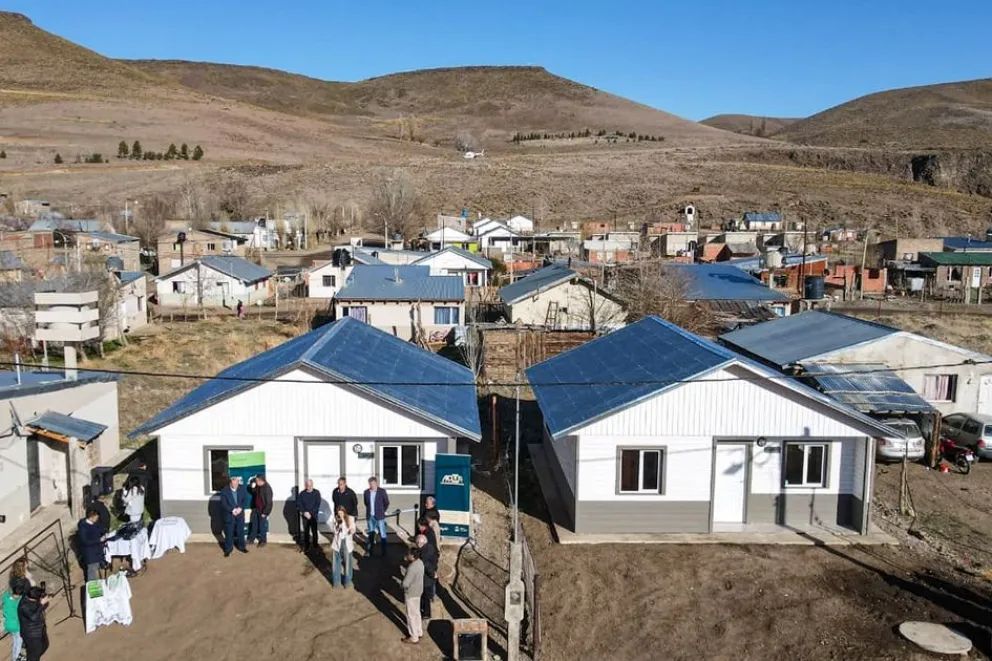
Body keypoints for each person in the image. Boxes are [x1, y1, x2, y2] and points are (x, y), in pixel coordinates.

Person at [17, 585, 49, 661]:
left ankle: (28, 656)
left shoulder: (30, 595)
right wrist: (41, 604)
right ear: (34, 599)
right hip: (31, 635)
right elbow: (33, 617)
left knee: (45, 645)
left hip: (39, 630)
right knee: (34, 654)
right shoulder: (24, 606)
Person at [220, 476, 249, 557]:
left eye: (237, 484)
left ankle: (242, 547)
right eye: (234, 484)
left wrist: (241, 508)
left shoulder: (242, 489)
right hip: (229, 515)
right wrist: (232, 510)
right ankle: (228, 550)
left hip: (240, 514)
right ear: (230, 483)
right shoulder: (224, 491)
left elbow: (245, 500)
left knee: (240, 532)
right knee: (229, 533)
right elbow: (223, 503)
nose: (236, 485)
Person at [77, 507, 109, 581]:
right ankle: (91, 585)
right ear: (91, 517)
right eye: (96, 518)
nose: (97, 519)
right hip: (90, 553)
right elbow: (85, 541)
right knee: (92, 571)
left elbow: (100, 528)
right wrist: (99, 540)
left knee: (97, 567)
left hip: (97, 550)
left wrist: (105, 531)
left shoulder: (94, 522)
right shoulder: (83, 527)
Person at [400, 549, 424, 645]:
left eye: (408, 554)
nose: (407, 555)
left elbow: (405, 583)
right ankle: (419, 631)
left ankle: (414, 637)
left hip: (411, 593)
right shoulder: (420, 563)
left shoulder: (412, 568)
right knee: (417, 613)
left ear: (413, 556)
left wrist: (401, 585)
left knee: (410, 616)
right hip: (419, 591)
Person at [330, 506, 356, 588]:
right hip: (337, 544)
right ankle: (336, 582)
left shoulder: (350, 518)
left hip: (346, 543)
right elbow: (334, 531)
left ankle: (347, 582)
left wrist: (351, 530)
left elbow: (353, 528)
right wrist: (338, 525)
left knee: (348, 564)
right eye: (339, 513)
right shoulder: (335, 520)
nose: (340, 514)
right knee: (336, 564)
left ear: (344, 512)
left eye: (341, 513)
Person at [363, 477, 389, 557]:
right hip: (370, 516)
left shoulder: (382, 491)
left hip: (380, 516)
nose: (372, 485)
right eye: (370, 484)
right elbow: (366, 503)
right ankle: (370, 551)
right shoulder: (366, 492)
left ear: (376, 483)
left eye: (373, 484)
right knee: (371, 534)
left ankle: (384, 552)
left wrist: (382, 510)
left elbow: (386, 502)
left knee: (383, 534)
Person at [416, 532, 438, 619]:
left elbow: (426, 565)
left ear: (420, 543)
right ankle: (426, 611)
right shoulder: (430, 547)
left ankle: (426, 613)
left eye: (417, 543)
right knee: (427, 595)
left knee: (425, 596)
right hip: (429, 577)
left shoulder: (423, 553)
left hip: (426, 578)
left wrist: (432, 574)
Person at [248, 474, 273, 547]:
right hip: (256, 508)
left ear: (261, 480)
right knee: (254, 525)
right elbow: (253, 491)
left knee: (262, 526)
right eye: (256, 481)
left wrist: (265, 512)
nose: (256, 482)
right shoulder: (258, 486)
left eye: (257, 481)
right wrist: (253, 485)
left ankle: (263, 541)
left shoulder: (267, 488)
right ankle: (251, 539)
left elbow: (269, 502)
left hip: (263, 510)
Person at [297, 479, 321, 552]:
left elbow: (317, 504)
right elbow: (299, 504)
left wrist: (310, 513)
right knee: (306, 532)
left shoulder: (316, 493)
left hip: (313, 516)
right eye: (307, 485)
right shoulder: (302, 494)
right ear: (305, 485)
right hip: (305, 516)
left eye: (310, 485)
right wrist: (304, 512)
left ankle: (315, 546)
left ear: (312, 485)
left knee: (314, 531)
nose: (309, 487)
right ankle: (306, 546)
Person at [2, 579, 24, 661]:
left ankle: (14, 657)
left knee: (15, 641)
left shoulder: (6, 597)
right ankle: (16, 658)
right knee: (19, 642)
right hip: (16, 626)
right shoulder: (18, 602)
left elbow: (6, 595)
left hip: (8, 625)